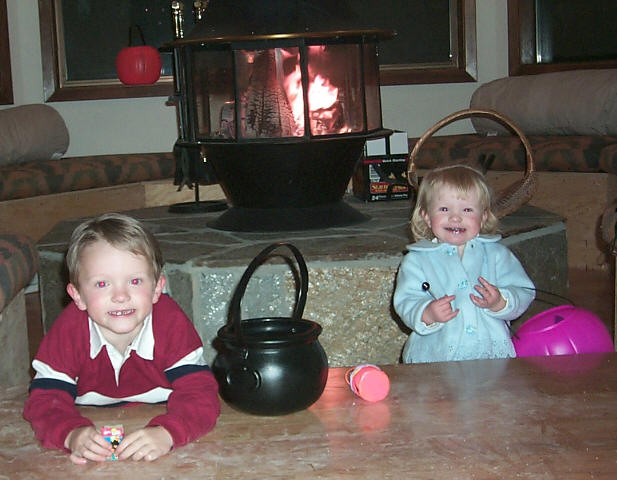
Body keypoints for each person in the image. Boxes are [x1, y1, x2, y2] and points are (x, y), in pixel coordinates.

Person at [23, 213, 220, 464]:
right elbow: (44, 400)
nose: (120, 296)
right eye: (102, 284)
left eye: (135, 281)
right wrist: (71, 434)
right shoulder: (68, 331)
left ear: (157, 288)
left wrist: (168, 432)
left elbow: (200, 393)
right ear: (78, 296)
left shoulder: (170, 323)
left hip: (161, 424)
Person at [393, 164, 535, 363]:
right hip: (436, 355)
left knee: (494, 384)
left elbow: (523, 290)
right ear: (426, 216)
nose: (455, 217)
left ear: (483, 216)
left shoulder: (497, 254)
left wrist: (500, 301)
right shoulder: (417, 260)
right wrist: (427, 313)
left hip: (490, 352)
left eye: (467, 209)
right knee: (436, 386)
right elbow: (406, 299)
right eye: (444, 209)